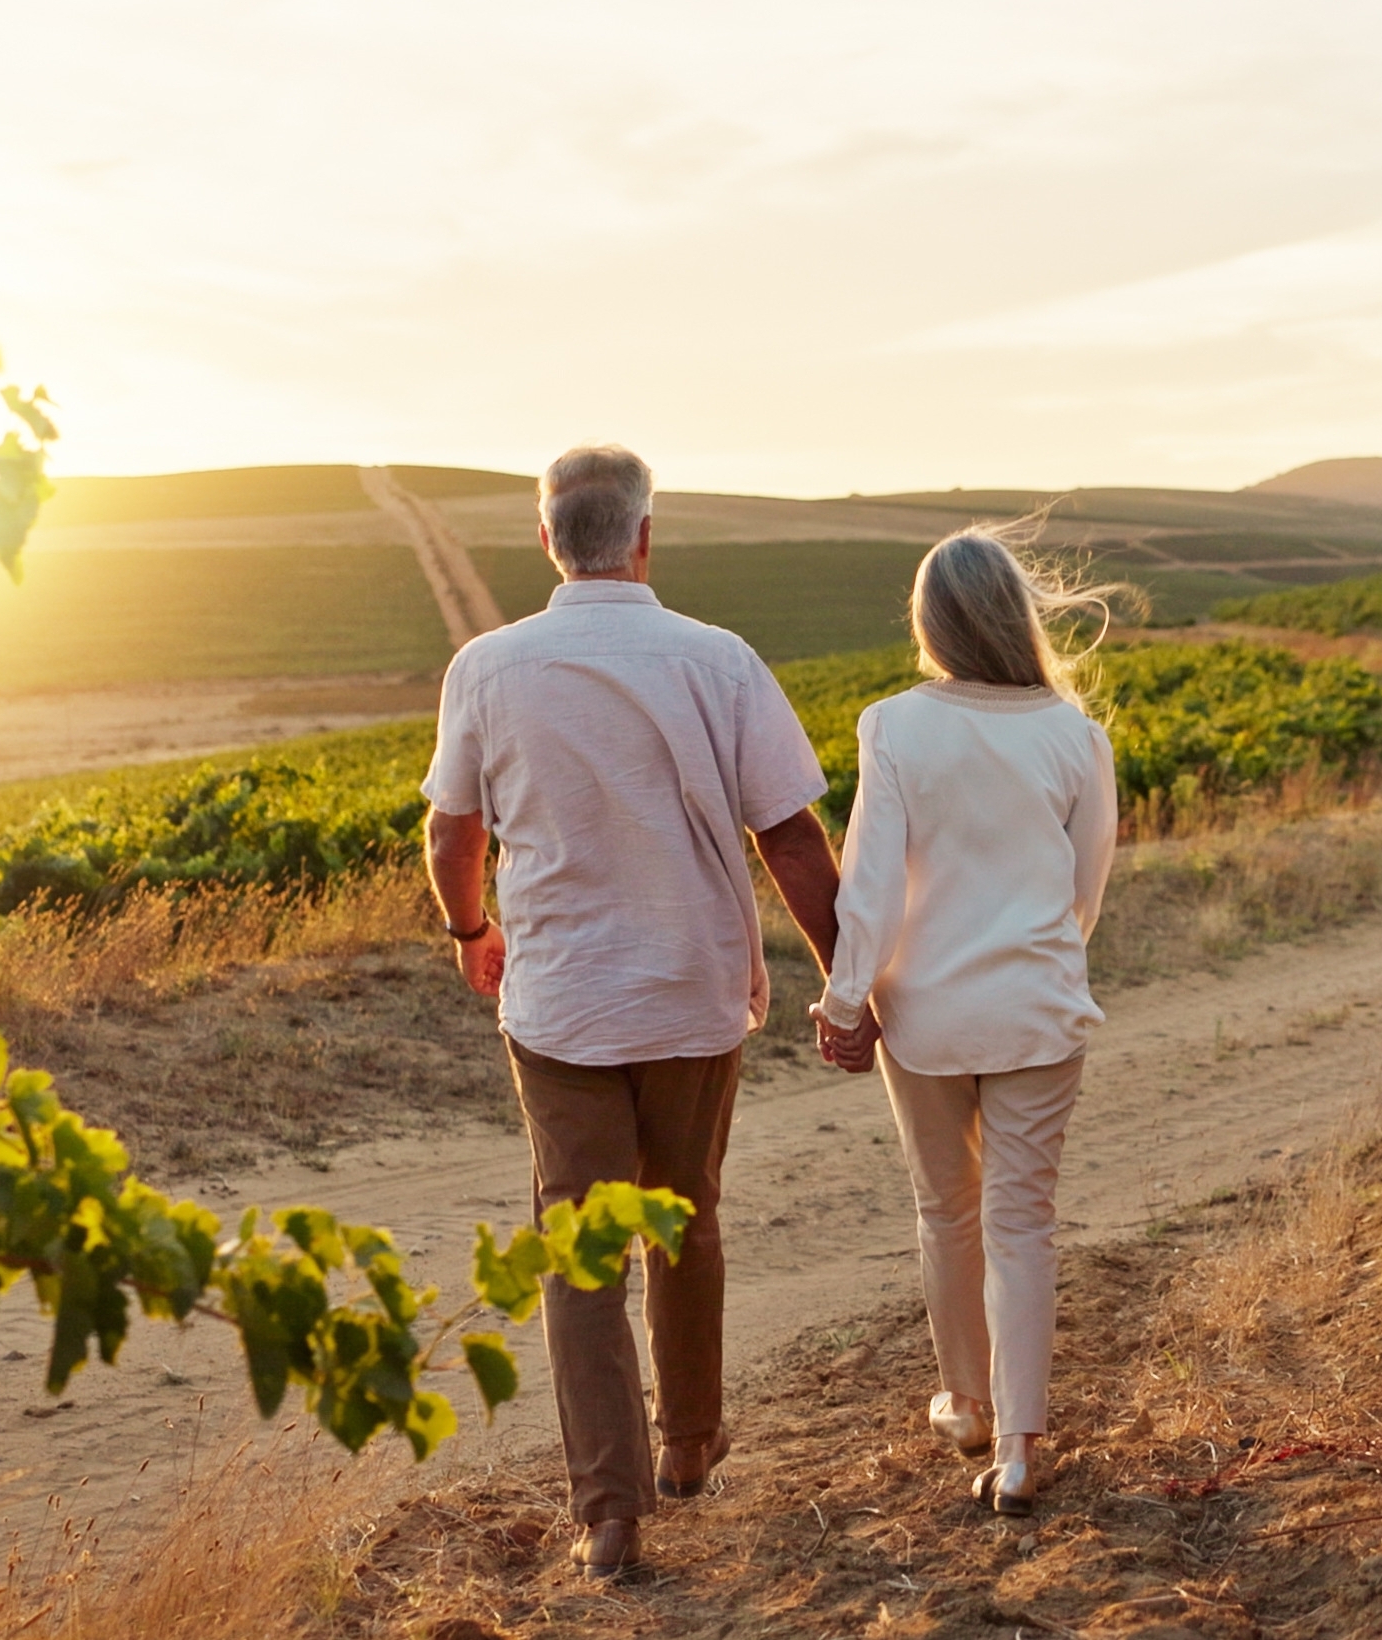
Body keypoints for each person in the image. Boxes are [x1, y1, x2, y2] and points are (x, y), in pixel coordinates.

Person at [422, 445, 843, 1578]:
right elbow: (791, 835)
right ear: (644, 536)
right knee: (686, 1213)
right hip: (694, 990)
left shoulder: (487, 666)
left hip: (559, 1002)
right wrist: (846, 973)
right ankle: (692, 1442)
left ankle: (608, 1511)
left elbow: (452, 830)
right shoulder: (721, 659)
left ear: (549, 539)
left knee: (582, 1250)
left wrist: (470, 928)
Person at [809, 528, 1120, 1517]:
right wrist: (1028, 950)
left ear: (929, 621)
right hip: (1036, 1005)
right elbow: (1083, 895)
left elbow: (871, 884)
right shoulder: (1076, 734)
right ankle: (1022, 1446)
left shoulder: (893, 724)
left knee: (947, 1205)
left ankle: (968, 1403)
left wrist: (845, 998)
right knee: (1022, 1216)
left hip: (927, 1012)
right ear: (1017, 615)